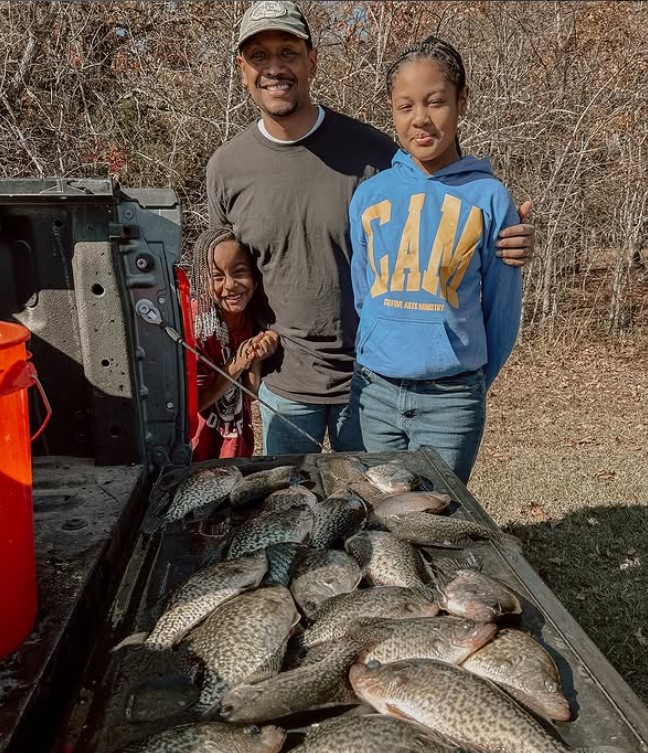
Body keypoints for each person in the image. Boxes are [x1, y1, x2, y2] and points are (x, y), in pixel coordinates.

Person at [207, 0, 535, 456]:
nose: (274, 68)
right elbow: (225, 260)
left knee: (373, 511)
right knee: (288, 507)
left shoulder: (373, 153)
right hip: (284, 380)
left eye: (288, 51)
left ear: (312, 60)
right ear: (242, 68)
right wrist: (242, 342)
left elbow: (437, 193)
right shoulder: (226, 166)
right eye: (259, 56)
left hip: (365, 387)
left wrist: (505, 233)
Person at [348, 36, 522, 482]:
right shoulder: (369, 196)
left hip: (452, 399)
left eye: (435, 102)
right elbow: (363, 293)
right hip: (376, 393)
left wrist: (469, 383)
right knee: (383, 513)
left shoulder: (489, 198)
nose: (420, 119)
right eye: (405, 106)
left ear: (462, 101)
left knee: (438, 514)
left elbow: (501, 313)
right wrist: (379, 349)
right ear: (391, 110)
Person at [189, 226, 279, 462]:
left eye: (239, 272)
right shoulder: (196, 323)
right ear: (203, 279)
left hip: (236, 449)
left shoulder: (251, 318)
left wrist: (256, 358)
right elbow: (198, 401)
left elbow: (249, 396)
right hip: (198, 452)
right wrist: (237, 362)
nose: (230, 285)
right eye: (218, 277)